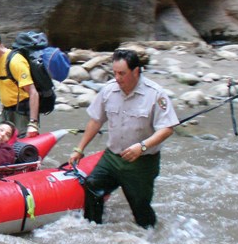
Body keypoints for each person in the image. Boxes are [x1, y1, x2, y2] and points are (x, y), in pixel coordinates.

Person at [68, 49, 179, 228]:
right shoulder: (109, 90)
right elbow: (96, 121)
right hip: (112, 157)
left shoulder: (155, 94)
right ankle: (93, 229)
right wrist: (79, 149)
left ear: (136, 71)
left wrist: (141, 147)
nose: (117, 78)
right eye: (115, 73)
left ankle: (150, 239)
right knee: (92, 185)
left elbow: (167, 129)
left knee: (140, 209)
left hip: (142, 161)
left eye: (122, 73)